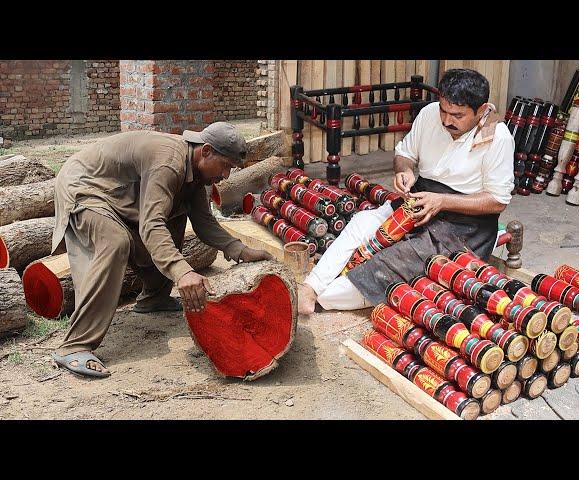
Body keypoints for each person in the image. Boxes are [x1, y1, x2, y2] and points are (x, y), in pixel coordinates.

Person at [50, 122, 273, 377]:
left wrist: (240, 250)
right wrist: (183, 272)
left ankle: (154, 299)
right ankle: (74, 345)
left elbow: (203, 222)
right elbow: (151, 224)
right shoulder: (169, 162)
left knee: (176, 216)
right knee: (116, 241)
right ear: (207, 151)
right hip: (85, 187)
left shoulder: (195, 173)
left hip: (116, 193)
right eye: (225, 166)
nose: (226, 176)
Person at [298, 68, 515, 315]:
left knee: (395, 262)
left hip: (464, 226)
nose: (446, 120)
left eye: (457, 115)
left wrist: (442, 202)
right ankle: (311, 287)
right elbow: (404, 154)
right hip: (421, 200)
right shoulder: (429, 115)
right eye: (443, 110)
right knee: (363, 222)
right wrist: (405, 171)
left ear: (480, 110)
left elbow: (497, 201)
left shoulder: (498, 139)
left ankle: (324, 299)